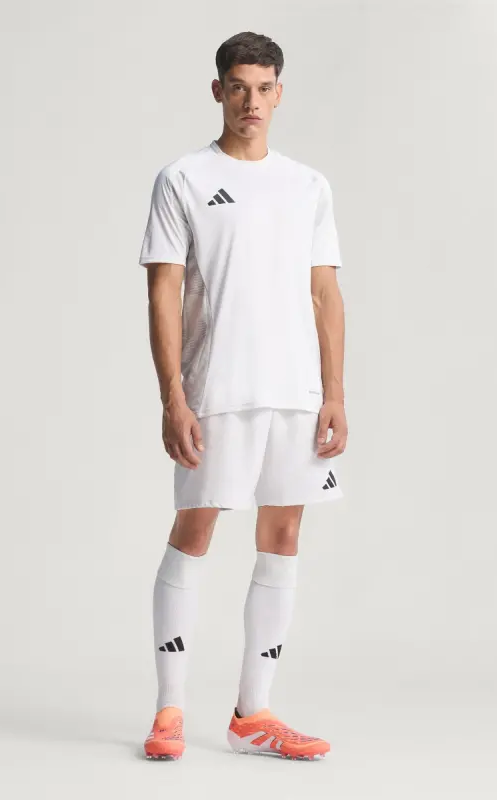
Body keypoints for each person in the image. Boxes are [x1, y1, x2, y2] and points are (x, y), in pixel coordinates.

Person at [138, 31, 347, 762]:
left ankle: (252, 714)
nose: (251, 101)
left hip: (295, 394)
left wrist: (334, 393)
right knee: (194, 533)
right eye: (238, 87)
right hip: (217, 390)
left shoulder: (308, 185)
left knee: (283, 538)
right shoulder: (183, 179)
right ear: (218, 91)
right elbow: (163, 295)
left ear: (279, 93)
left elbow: (325, 294)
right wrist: (173, 396)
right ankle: (169, 710)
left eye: (263, 88)